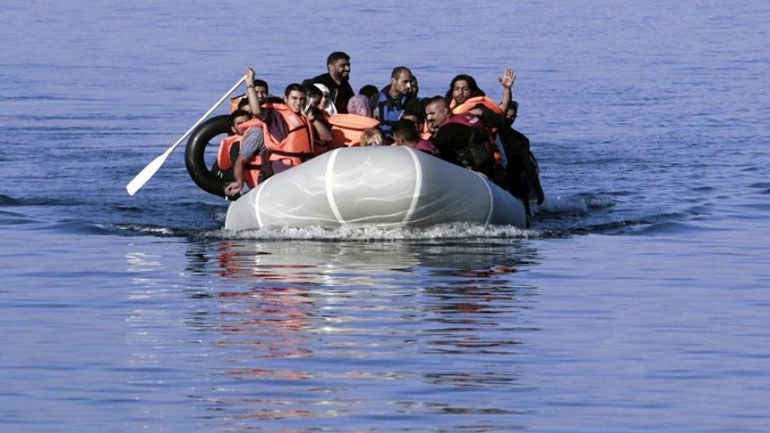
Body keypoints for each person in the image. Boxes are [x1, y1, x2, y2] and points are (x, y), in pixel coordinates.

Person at [224, 83, 331, 197]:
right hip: (283, 172)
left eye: (302, 99)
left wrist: (313, 120)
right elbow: (257, 111)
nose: (298, 103)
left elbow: (327, 138)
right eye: (294, 98)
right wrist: (250, 85)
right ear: (285, 99)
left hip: (303, 171)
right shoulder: (276, 116)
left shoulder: (305, 118)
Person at [424, 96, 497, 180]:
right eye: (427, 115)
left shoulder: (448, 129)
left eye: (432, 113)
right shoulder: (468, 117)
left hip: (473, 176)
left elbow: (433, 154)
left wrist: (432, 135)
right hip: (489, 171)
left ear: (444, 111)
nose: (429, 118)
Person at [375, 66, 421, 140]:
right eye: (405, 82)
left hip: (401, 144)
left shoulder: (412, 102)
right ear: (393, 81)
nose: (409, 86)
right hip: (379, 143)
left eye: (410, 82)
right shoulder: (376, 99)